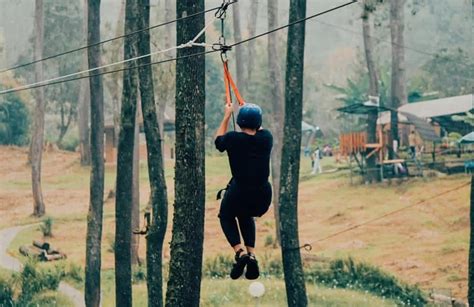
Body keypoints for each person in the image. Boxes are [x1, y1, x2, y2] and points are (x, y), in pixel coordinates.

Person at [214, 103, 273, 280]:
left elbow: (218, 142)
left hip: (240, 192)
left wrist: (227, 115)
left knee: (226, 215)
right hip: (262, 196)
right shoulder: (266, 138)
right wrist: (250, 110)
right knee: (246, 215)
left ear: (239, 122)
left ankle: (240, 253)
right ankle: (252, 255)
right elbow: (259, 128)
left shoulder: (233, 138)